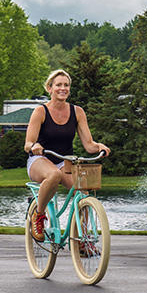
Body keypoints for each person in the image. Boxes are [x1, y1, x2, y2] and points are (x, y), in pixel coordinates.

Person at [24, 69, 110, 242]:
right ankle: (38, 215)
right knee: (53, 175)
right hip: (40, 159)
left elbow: (89, 144)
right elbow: (27, 144)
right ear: (49, 88)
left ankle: (82, 240)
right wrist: (35, 146)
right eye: (58, 85)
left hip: (65, 161)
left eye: (66, 85)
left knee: (83, 192)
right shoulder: (41, 112)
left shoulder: (77, 112)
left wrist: (99, 146)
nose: (63, 88)